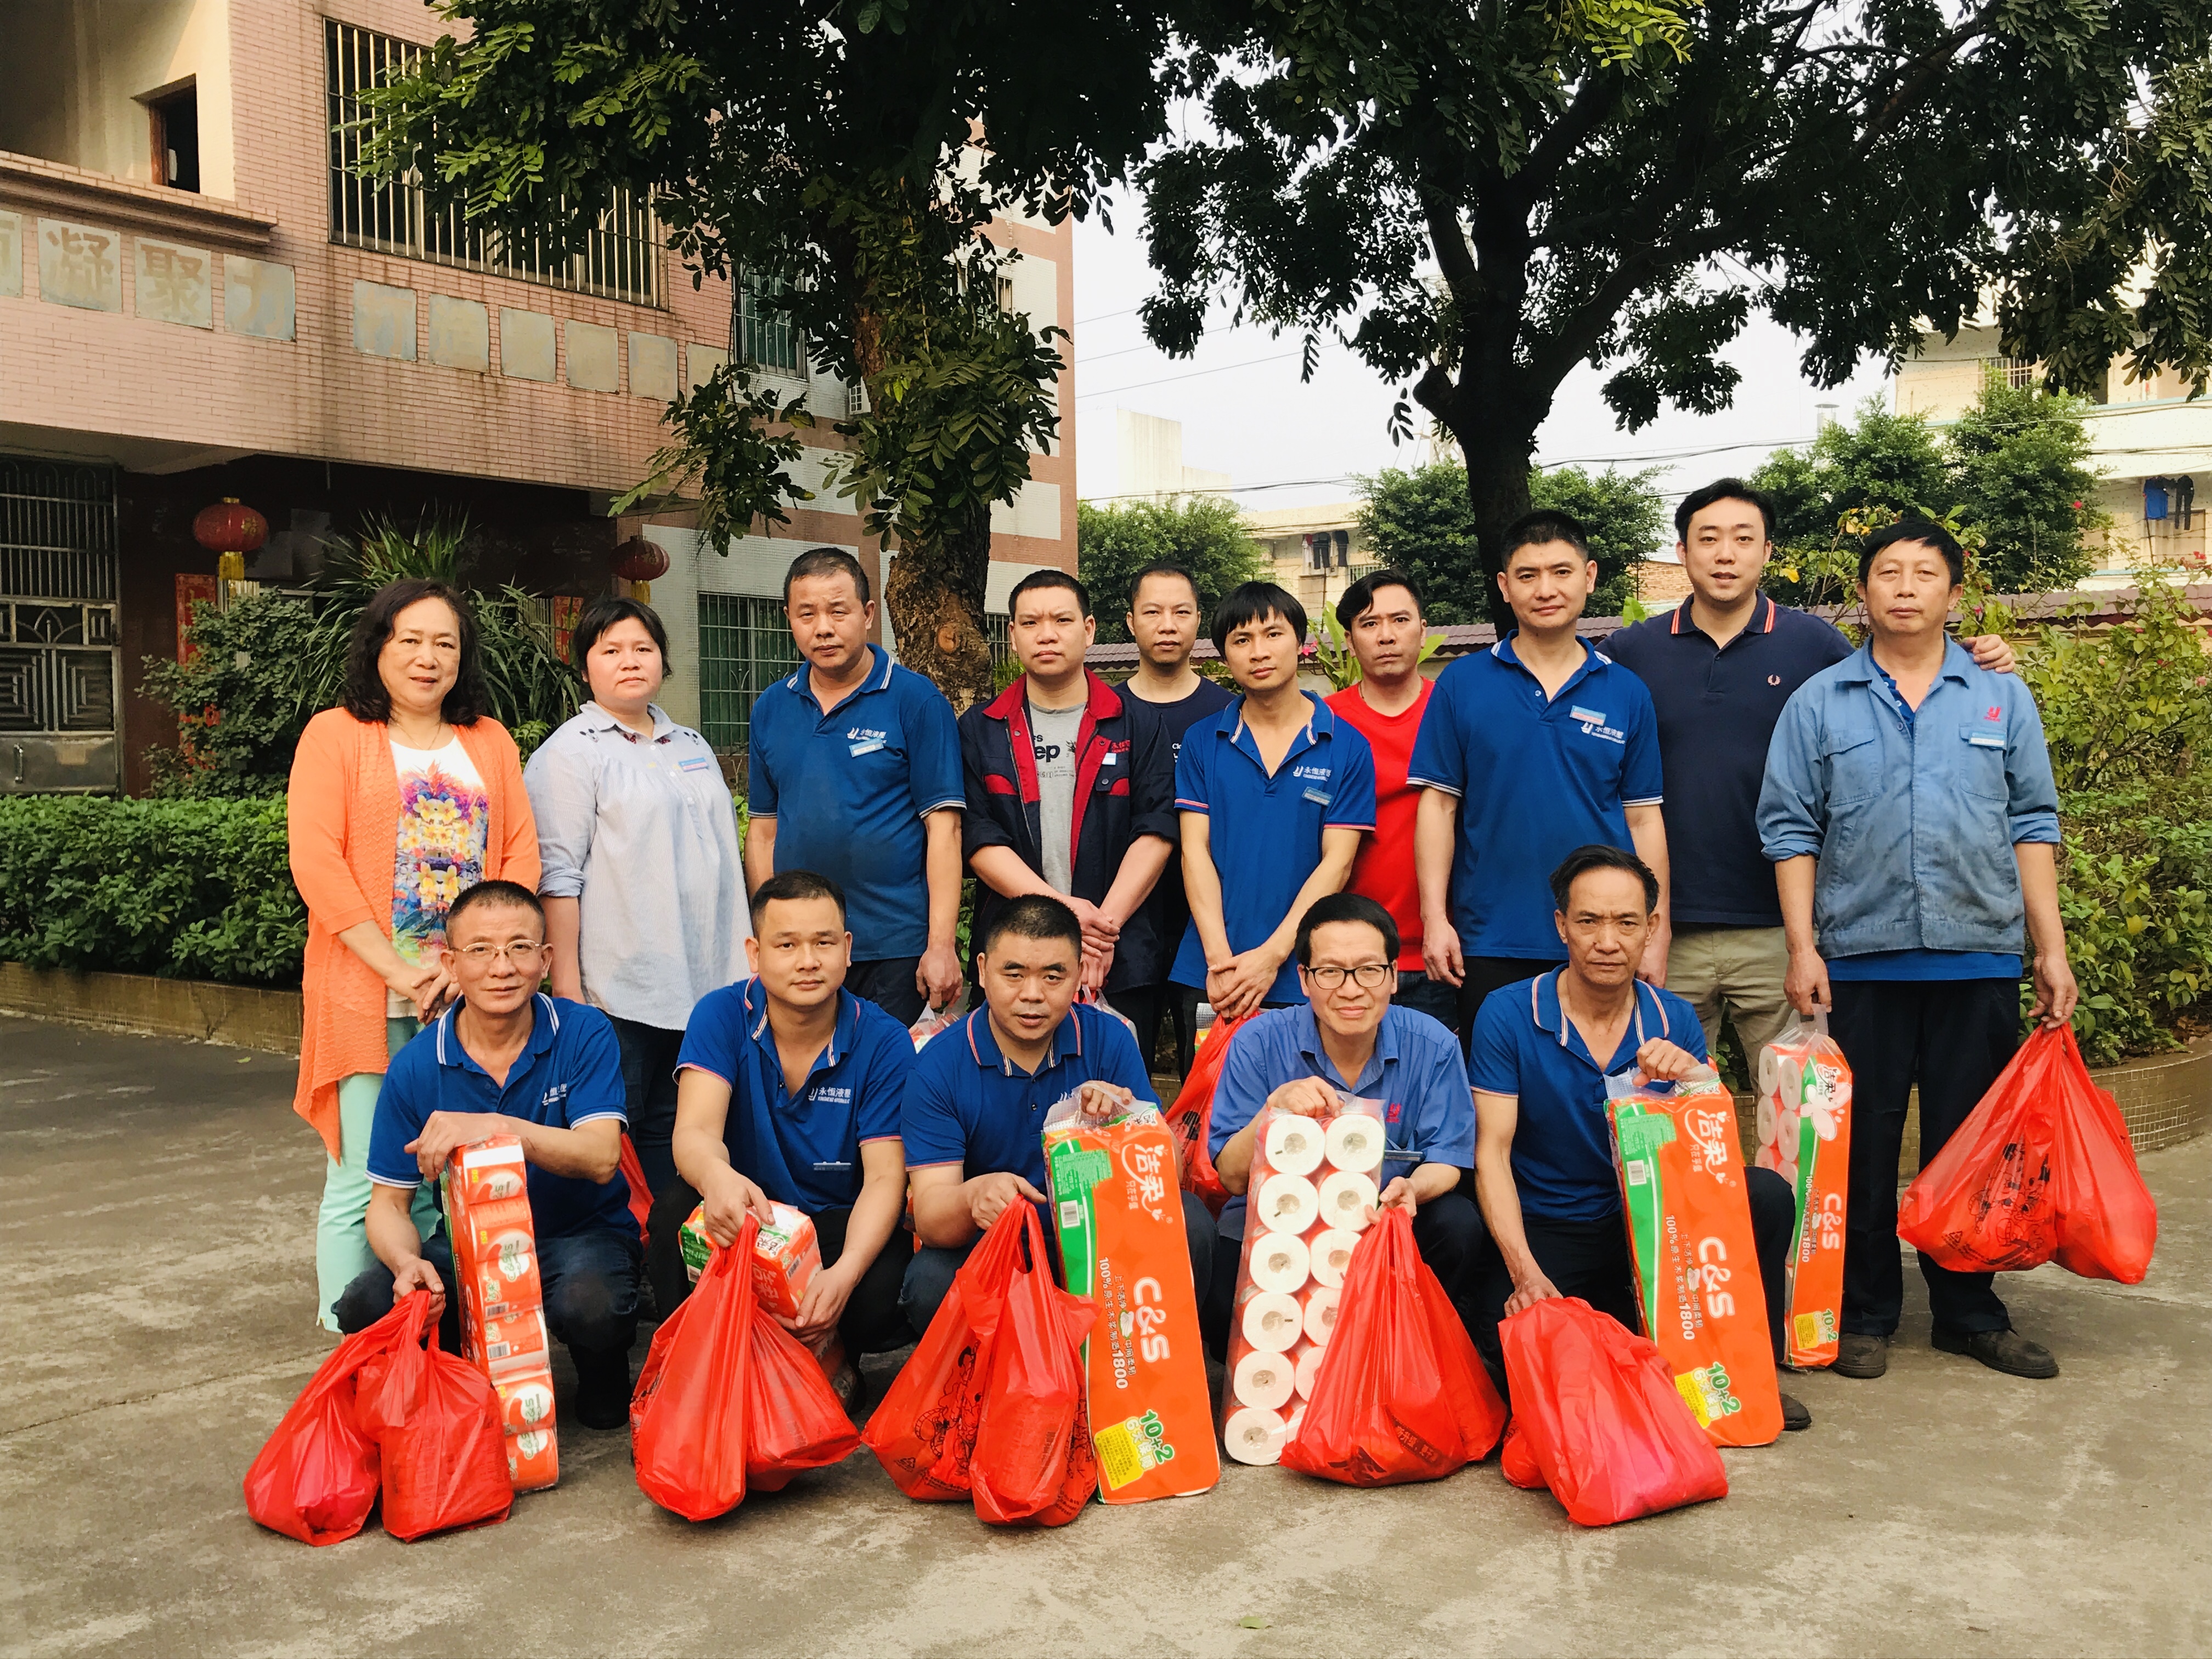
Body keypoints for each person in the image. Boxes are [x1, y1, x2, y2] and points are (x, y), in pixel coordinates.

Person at [1759, 518, 2078, 1383]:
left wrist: (2048, 950)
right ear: (1863, 593)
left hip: (1976, 957)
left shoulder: (2000, 697)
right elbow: (1790, 830)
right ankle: (1865, 1312)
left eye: (1925, 573)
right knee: (1860, 1153)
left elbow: (2033, 823)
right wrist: (1803, 948)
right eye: (1888, 573)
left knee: (1971, 1150)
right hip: (1860, 961)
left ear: (1954, 593)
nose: (1905, 587)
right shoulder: (1820, 702)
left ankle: (1969, 1313)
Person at [1605, 479, 2015, 1062]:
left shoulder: (1814, 645)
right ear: (1682, 551)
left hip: (1781, 929)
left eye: (1743, 539)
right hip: (1664, 929)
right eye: (1709, 539)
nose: (1726, 555)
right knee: (1661, 1099)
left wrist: (1975, 657)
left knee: (1797, 1106)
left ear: (1767, 552)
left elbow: (1898, 681)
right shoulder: (1633, 652)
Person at [1466, 846, 1810, 1430]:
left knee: (1765, 1194)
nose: (1608, 941)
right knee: (1514, 1369)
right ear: (1562, 926)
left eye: (1626, 923)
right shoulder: (1508, 1014)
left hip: (1654, 1225)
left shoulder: (1673, 1017)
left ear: (1651, 928)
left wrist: (1696, 1080)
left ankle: (1747, 1367)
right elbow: (1492, 1153)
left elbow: (1709, 1165)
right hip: (1551, 1224)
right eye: (1589, 921)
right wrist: (1525, 1272)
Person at [288, 578, 540, 1333]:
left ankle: (431, 1336)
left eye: (445, 644)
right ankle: (353, 1346)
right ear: (379, 648)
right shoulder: (335, 735)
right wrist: (399, 969)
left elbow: (520, 854)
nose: (428, 658)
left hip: (466, 998)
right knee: (365, 1178)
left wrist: (477, 966)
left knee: (445, 1174)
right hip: (368, 993)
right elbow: (317, 862)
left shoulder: (489, 741)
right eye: (411, 641)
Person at [331, 881, 643, 1430]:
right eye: (480, 950)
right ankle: (460, 1360)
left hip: (578, 1234)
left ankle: (602, 1369)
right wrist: (406, 1263)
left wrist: (498, 1127)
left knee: (592, 1310)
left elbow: (601, 1157)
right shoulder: (418, 1064)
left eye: (520, 948)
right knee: (368, 1302)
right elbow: (389, 1204)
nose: (502, 967)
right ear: (451, 964)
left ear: (545, 959)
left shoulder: (582, 1031)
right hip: (467, 1248)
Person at [646, 870, 913, 1404]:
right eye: (786, 944)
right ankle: (700, 1371)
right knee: (674, 1211)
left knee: (882, 1280)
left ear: (848, 949)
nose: (807, 961)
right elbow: (695, 1131)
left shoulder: (883, 1039)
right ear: (755, 953)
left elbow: (886, 1178)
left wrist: (844, 1276)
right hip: (748, 1212)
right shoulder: (722, 1014)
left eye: (824, 943)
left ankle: (835, 1355)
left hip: (831, 1222)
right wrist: (718, 1178)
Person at [899, 894, 1216, 1335]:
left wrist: (1128, 1122)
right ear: (983, 971)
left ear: (1079, 975)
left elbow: (1169, 1173)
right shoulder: (938, 1065)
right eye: (1014, 974)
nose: (1032, 995)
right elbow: (932, 1218)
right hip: (999, 1246)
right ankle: (998, 1374)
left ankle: (1137, 1363)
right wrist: (973, 1197)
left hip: (1100, 1239)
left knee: (1190, 1222)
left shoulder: (1110, 1039)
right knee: (930, 1282)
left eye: (1053, 976)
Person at [525, 595, 752, 1201]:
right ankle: (626, 1257)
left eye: (643, 649)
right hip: (620, 993)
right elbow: (558, 877)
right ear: (585, 667)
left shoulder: (691, 744)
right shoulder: (571, 752)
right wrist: (568, 990)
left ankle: (677, 1254)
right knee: (620, 1150)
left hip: (708, 986)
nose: (630, 661)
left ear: (663, 660)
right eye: (611, 651)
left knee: (692, 1141)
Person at [1410, 510, 1667, 1043]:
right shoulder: (1462, 683)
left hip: (1602, 937)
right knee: (1493, 1084)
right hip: (1490, 938)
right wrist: (1435, 919)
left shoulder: (1627, 692)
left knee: (1605, 1082)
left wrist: (1654, 931)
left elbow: (1643, 819)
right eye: (1528, 575)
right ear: (1505, 586)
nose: (1545, 589)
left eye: (1561, 572)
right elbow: (1438, 806)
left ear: (1589, 577)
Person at [1207, 893, 1484, 1351]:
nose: (1352, 990)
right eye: (1331, 972)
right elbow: (1232, 1178)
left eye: (1369, 970)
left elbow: (1448, 1160)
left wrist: (1412, 1189)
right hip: (1277, 1226)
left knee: (1457, 1224)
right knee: (1223, 1314)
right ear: (1304, 979)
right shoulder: (1258, 1041)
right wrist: (1273, 1110)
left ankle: (1401, 1350)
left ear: (1393, 977)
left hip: (1384, 1223)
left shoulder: (1433, 1046)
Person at [744, 546, 964, 1026]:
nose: (823, 628)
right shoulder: (771, 708)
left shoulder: (916, 700)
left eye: (838, 612)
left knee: (886, 1069)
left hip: (894, 946)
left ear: (867, 614)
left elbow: (944, 830)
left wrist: (941, 945)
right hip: (803, 948)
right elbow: (763, 833)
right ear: (789, 619)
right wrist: (769, 937)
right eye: (807, 614)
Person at [960, 569, 1176, 1026]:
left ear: (1089, 629)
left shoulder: (1137, 723)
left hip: (1116, 955)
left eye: (1062, 620)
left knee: (1118, 1074)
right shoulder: (982, 729)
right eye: (1031, 623)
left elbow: (1156, 829)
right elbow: (979, 838)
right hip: (1014, 956)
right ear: (1013, 635)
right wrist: (1063, 916)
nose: (1047, 635)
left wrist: (1100, 933)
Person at [1171, 582, 1377, 1019]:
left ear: (1299, 642)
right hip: (1212, 972)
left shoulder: (1346, 746)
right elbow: (1194, 851)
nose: (1259, 652)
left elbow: (1337, 863)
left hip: (1307, 974)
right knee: (1210, 1070)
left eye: (1273, 634)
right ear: (1225, 656)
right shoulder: (1202, 741)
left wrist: (1272, 956)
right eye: (1241, 640)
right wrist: (1220, 959)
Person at [1118, 562, 1238, 1073]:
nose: (1167, 625)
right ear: (1130, 622)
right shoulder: (1106, 712)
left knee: (1209, 1077)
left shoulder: (1232, 713)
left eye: (1181, 612)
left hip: (1211, 930)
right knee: (1122, 1077)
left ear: (1198, 620)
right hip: (1125, 930)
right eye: (1153, 612)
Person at [1323, 569, 1454, 1028]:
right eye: (1369, 623)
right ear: (1349, 639)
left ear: (1423, 629)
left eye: (1400, 620)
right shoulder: (1325, 722)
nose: (1386, 636)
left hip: (1444, 950)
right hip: (1348, 956)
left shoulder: (1456, 712)